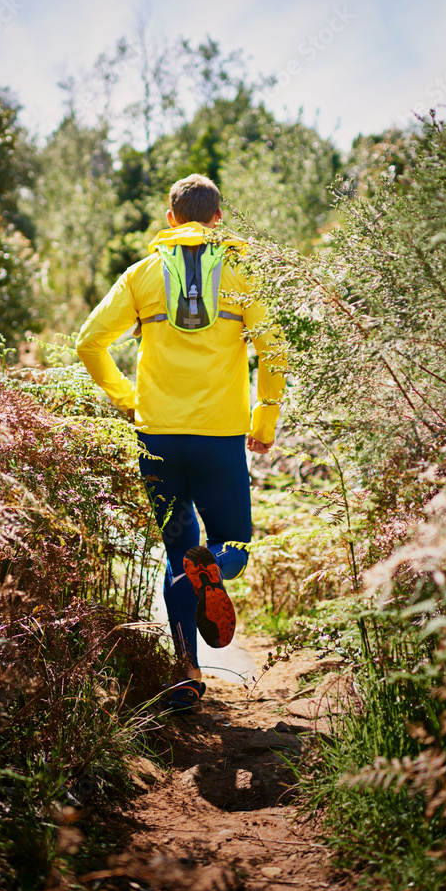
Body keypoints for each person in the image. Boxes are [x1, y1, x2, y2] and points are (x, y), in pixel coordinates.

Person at [75, 174, 285, 709]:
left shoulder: (142, 275)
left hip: (157, 437)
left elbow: (90, 342)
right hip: (220, 437)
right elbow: (274, 348)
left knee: (176, 553)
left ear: (171, 220)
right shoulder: (242, 273)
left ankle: (187, 674)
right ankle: (213, 566)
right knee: (232, 543)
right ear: (218, 219)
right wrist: (264, 420)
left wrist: (127, 400)